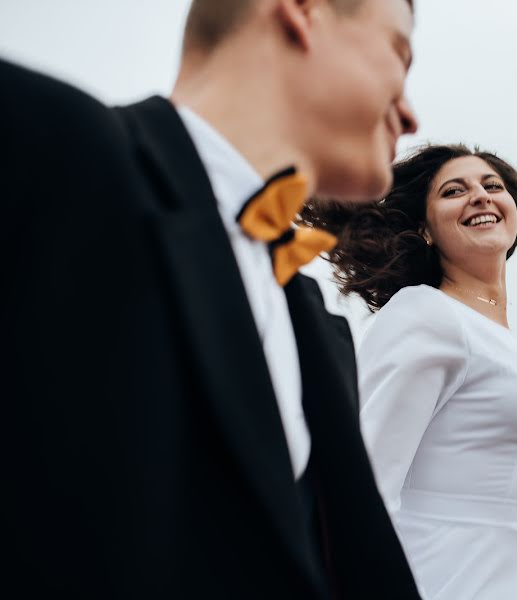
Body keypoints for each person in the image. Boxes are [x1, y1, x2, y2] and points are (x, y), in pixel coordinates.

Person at [0, 0, 421, 597]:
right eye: (400, 56)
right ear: (302, 12)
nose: (409, 114)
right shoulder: (43, 147)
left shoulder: (323, 329)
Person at [305, 144, 517, 599]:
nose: (480, 196)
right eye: (455, 191)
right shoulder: (425, 315)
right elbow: (364, 488)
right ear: (424, 229)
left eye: (493, 186)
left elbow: (482, 493)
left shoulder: (507, 341)